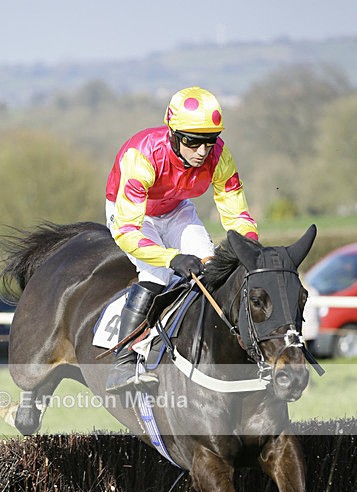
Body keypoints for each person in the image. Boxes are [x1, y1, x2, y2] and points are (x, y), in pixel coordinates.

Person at [105, 86, 258, 392]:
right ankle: (121, 365)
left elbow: (238, 216)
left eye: (209, 141)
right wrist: (171, 258)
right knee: (157, 275)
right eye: (192, 141)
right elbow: (127, 232)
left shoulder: (219, 156)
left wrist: (253, 252)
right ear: (173, 133)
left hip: (176, 210)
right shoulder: (143, 156)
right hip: (133, 216)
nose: (202, 152)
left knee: (212, 268)